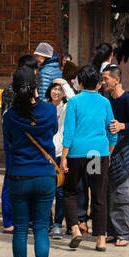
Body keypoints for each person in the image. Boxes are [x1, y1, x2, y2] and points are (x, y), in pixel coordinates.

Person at [1, 66, 59, 257]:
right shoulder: (49, 111)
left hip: (19, 176)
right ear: (36, 87)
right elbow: (52, 132)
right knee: (42, 229)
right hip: (45, 175)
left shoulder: (10, 116)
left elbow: (9, 141)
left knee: (21, 231)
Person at [60, 64, 116, 251]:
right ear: (99, 84)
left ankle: (75, 228)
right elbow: (112, 131)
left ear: (80, 83)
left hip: (76, 153)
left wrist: (64, 156)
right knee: (98, 194)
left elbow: (68, 131)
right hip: (96, 154)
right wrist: (108, 150)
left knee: (70, 191)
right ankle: (100, 238)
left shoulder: (74, 102)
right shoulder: (105, 102)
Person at [100, 65, 129, 246]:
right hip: (109, 151)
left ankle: (123, 233)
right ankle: (111, 232)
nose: (103, 82)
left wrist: (122, 126)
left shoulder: (127, 99)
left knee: (120, 193)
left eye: (106, 78)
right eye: (103, 78)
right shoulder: (107, 101)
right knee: (107, 193)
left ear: (116, 79)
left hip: (123, 152)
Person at [0, 54, 41, 233]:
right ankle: (9, 219)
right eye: (34, 70)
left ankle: (29, 218)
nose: (36, 73)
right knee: (11, 178)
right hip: (15, 141)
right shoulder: (11, 91)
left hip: (26, 140)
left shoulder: (31, 90)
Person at [46, 78, 73, 237]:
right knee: (45, 191)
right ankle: (47, 222)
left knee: (60, 191)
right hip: (45, 155)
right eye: (54, 89)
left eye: (59, 90)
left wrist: (63, 82)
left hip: (60, 154)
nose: (56, 92)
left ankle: (57, 224)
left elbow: (73, 98)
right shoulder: (44, 107)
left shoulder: (67, 107)